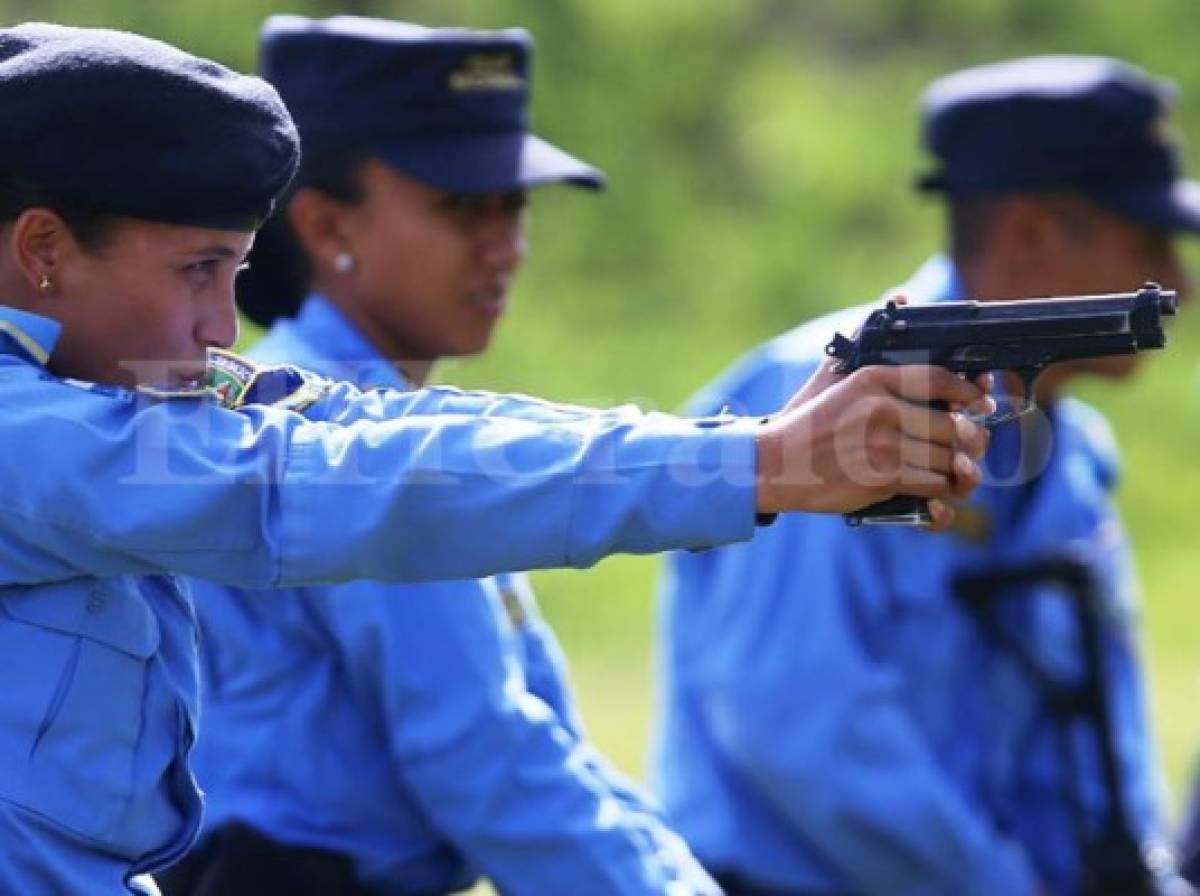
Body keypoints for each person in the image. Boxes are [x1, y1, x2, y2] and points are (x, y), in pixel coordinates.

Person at [0, 20, 990, 895]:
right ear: (42, 247)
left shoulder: (87, 400)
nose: (224, 325)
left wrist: (741, 453)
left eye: (234, 270)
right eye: (197, 269)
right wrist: (759, 465)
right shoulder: (29, 430)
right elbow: (315, 486)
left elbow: (356, 427)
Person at [161, 15, 717, 896]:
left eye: (514, 205)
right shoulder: (340, 435)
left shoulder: (313, 397)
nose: (504, 245)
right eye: (461, 206)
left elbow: (529, 739)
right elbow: (481, 754)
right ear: (324, 223)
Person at [653, 55, 1195, 896]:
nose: (1183, 286)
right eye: (1150, 245)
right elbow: (798, 723)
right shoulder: (833, 396)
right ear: (1031, 232)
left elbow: (1089, 743)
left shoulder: (1069, 453)